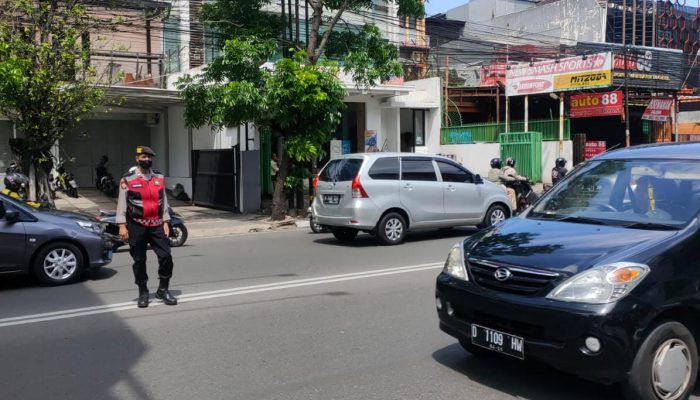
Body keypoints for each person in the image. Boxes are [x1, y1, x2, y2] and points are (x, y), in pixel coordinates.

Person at [116, 146, 177, 308]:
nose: (147, 159)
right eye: (143, 157)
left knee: (166, 256)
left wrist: (166, 221)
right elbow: (122, 203)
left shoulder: (159, 177)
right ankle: (143, 291)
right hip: (137, 225)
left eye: (149, 157)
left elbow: (164, 201)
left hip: (157, 224)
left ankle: (163, 289)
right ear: (137, 158)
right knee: (139, 260)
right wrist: (122, 225)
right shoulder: (127, 179)